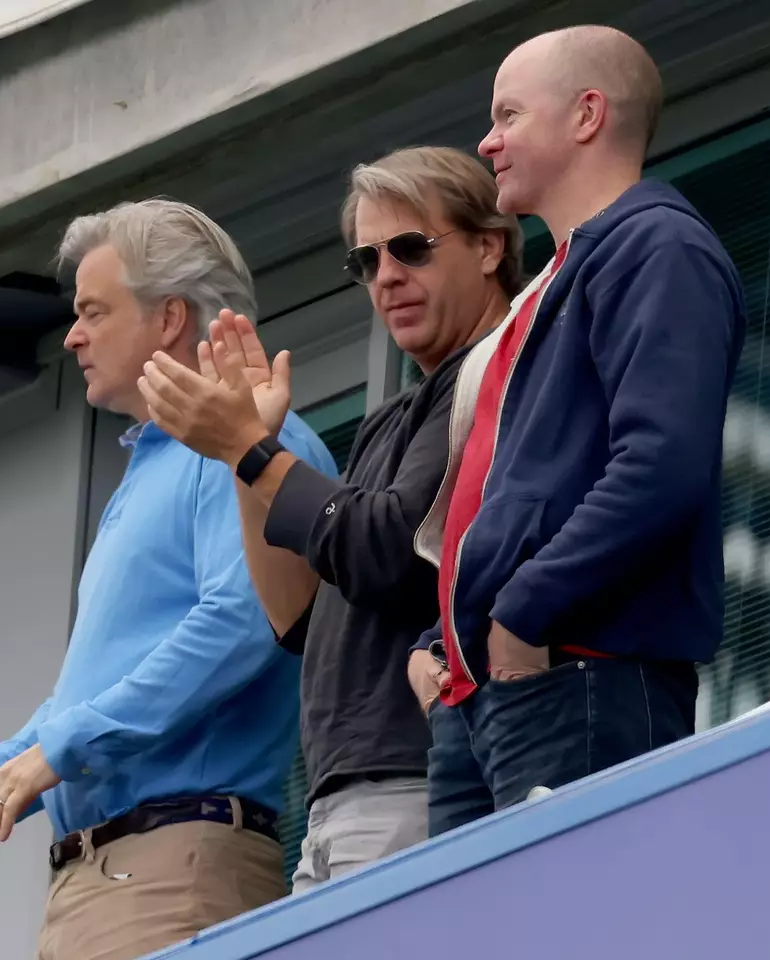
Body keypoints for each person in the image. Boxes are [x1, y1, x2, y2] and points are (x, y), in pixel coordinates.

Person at [0, 198, 336, 960]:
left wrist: (60, 748)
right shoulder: (158, 465)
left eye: (92, 311)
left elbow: (243, 622)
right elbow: (100, 680)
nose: (73, 335)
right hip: (115, 877)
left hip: (174, 866)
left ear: (169, 317)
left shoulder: (251, 448)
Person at [138, 147, 523, 890]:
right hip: (343, 800)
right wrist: (244, 458)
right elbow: (300, 619)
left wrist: (249, 450)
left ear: (488, 245)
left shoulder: (500, 370)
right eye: (366, 261)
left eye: (410, 249)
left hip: (419, 779)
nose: (386, 277)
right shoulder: (394, 420)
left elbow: (392, 549)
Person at [408, 25, 747, 835]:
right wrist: (442, 642)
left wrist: (525, 611)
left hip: (578, 676)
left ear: (587, 114)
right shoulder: (560, 278)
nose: (487, 142)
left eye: (508, 115)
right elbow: (510, 492)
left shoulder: (657, 248)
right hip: (497, 691)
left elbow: (661, 465)